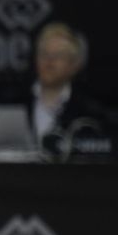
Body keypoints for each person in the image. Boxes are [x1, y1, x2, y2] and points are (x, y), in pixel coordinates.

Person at [24, 22, 114, 158]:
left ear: (75, 65)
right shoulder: (14, 102)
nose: (49, 61)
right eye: (44, 54)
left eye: (58, 55)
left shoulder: (90, 113)